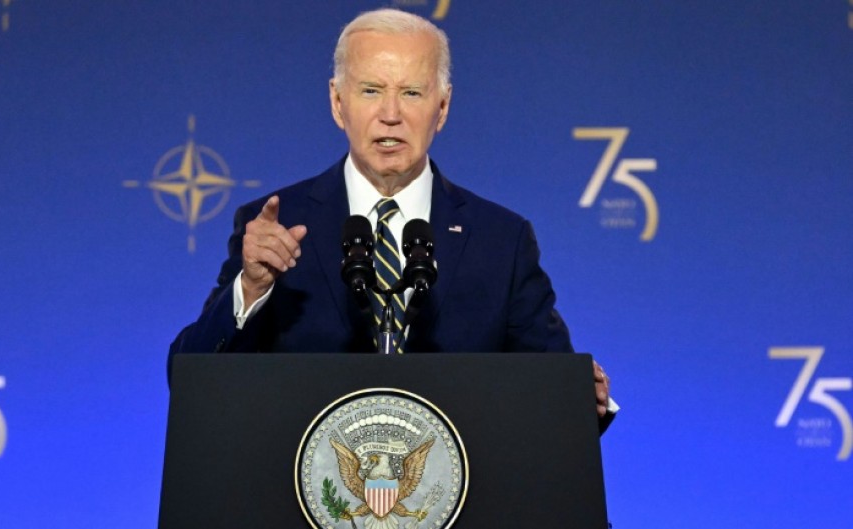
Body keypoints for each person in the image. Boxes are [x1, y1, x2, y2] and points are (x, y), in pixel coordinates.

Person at [169, 8, 615, 422]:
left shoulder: (501, 239)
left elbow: (555, 400)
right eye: (371, 91)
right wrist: (250, 289)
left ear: (442, 108)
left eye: (411, 93)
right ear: (337, 102)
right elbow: (190, 378)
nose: (390, 115)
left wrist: (582, 397)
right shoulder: (277, 224)